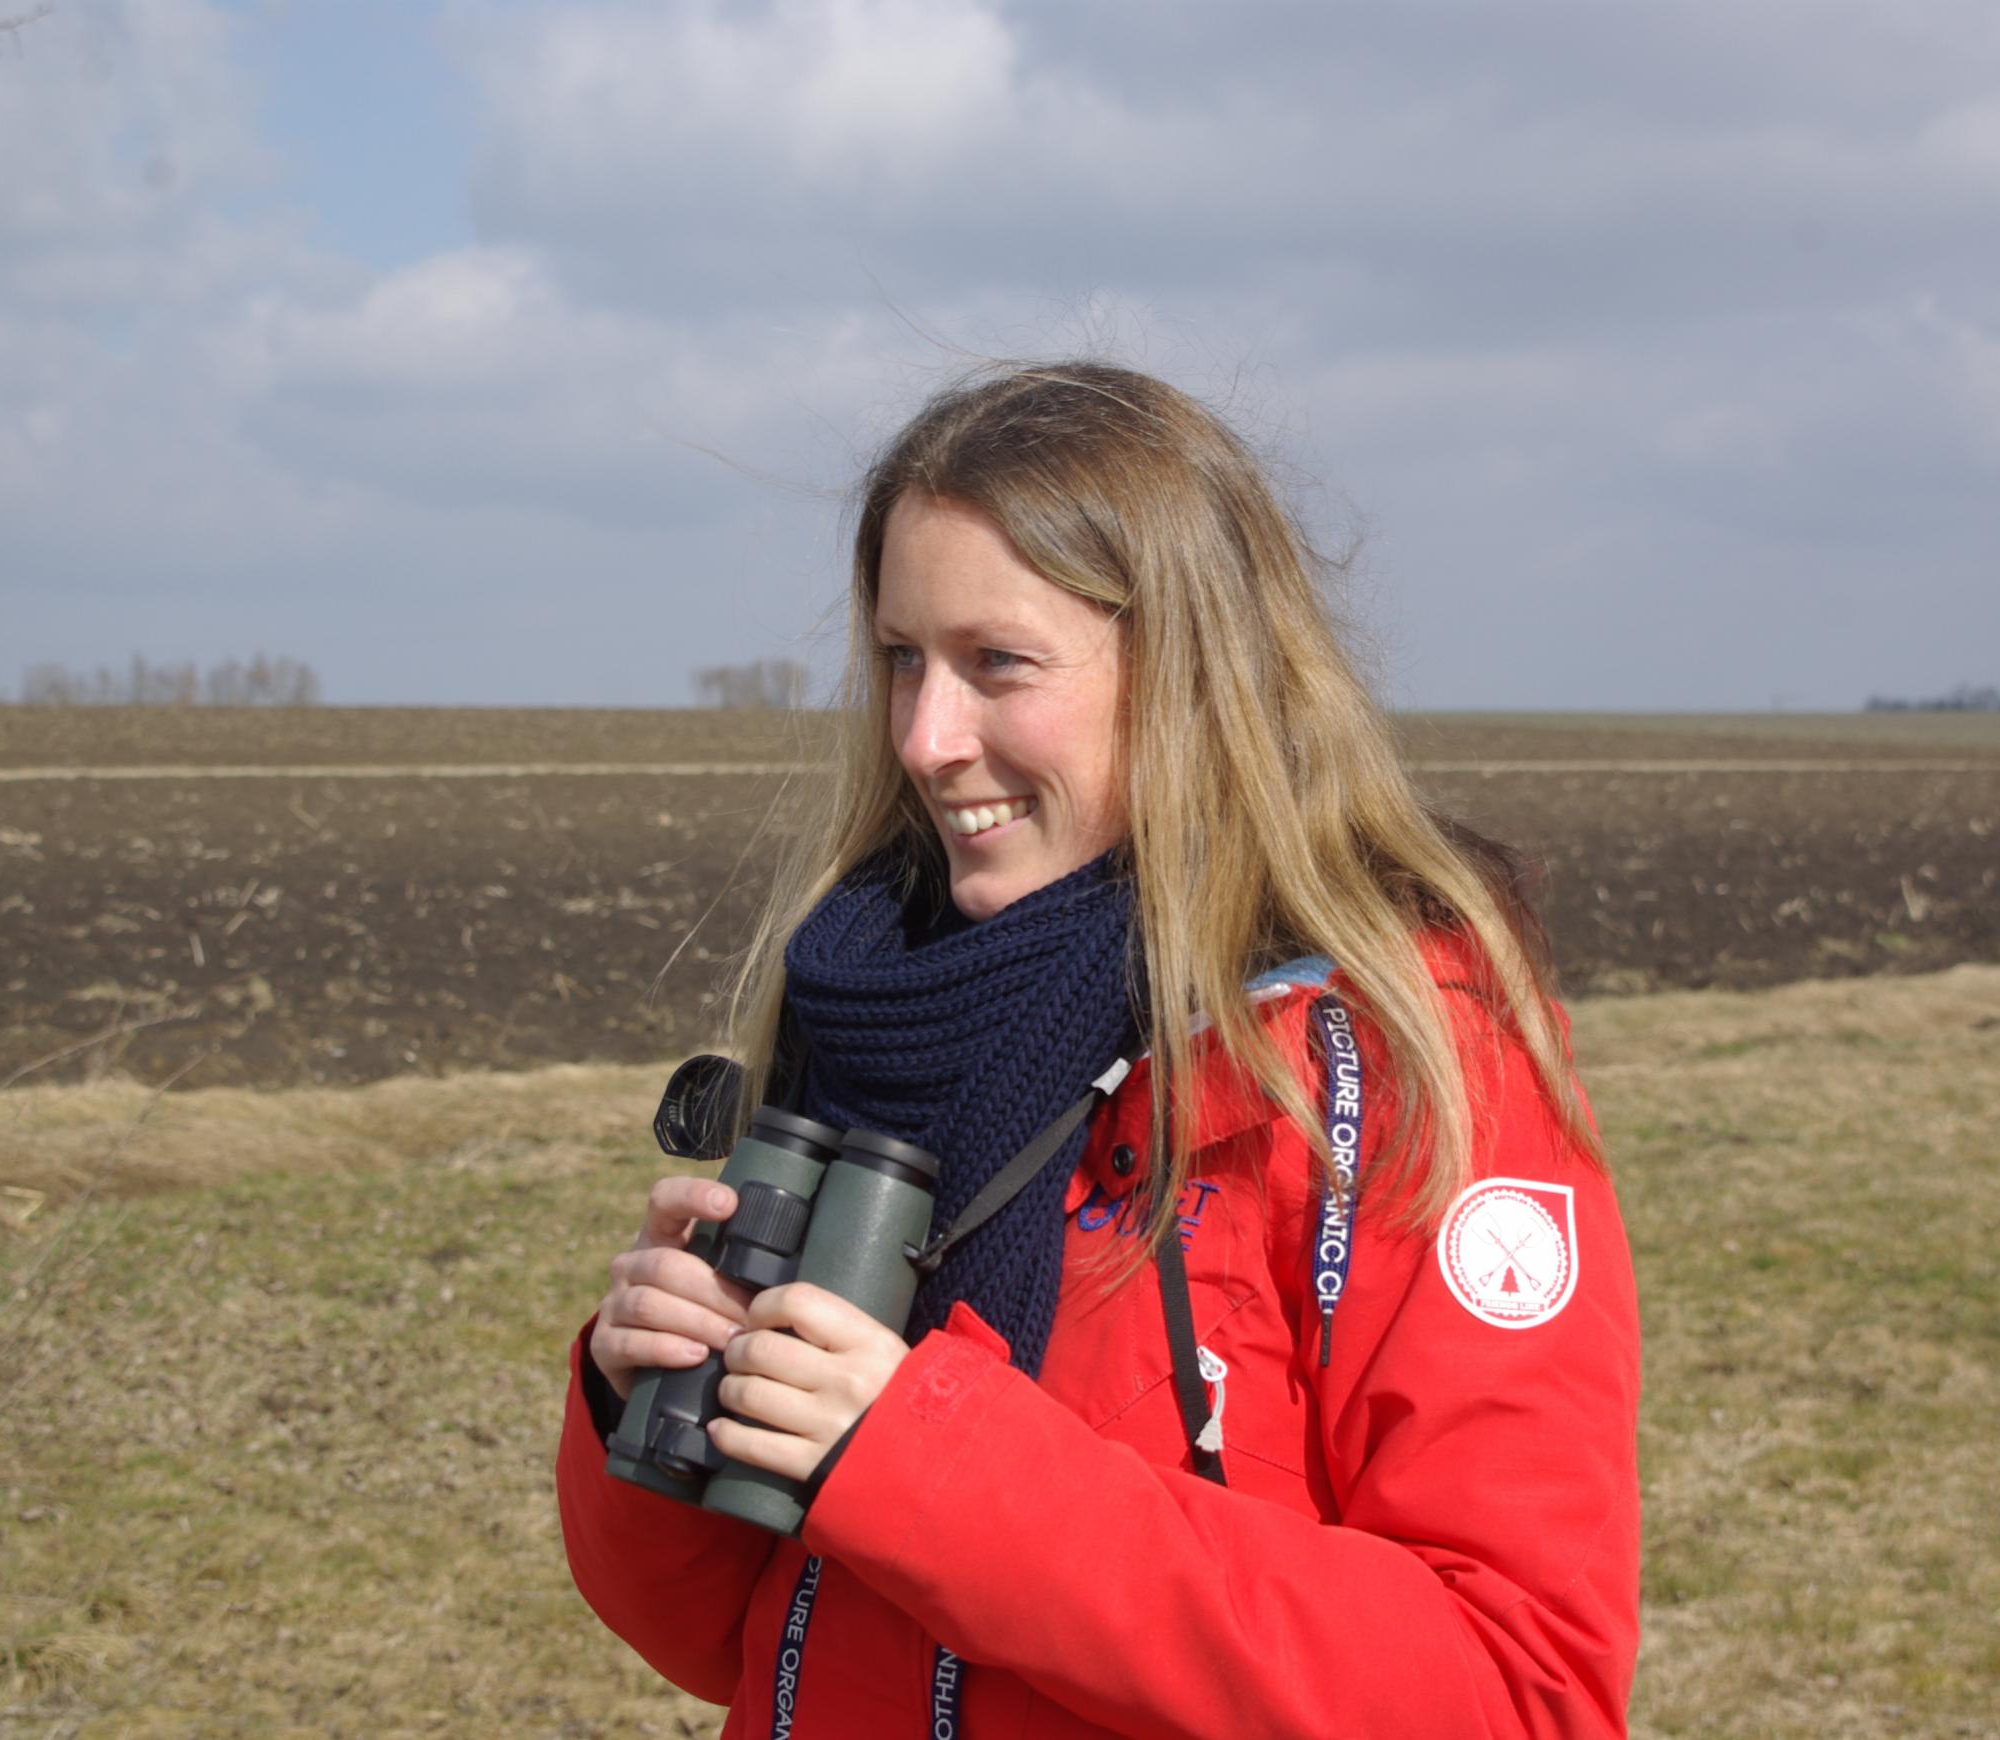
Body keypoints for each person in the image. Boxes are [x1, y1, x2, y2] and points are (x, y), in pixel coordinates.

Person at [556, 362, 1640, 1738]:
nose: (926, 739)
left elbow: (1517, 1694)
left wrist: (920, 1465)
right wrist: (645, 1405)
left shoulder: (1397, 1066)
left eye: (995, 664)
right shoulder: (870, 1007)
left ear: (1191, 673)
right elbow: (725, 1637)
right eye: (901, 659)